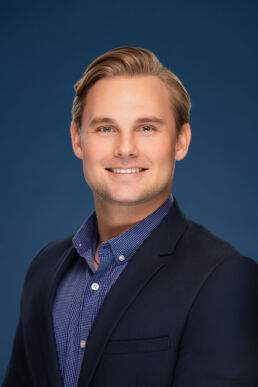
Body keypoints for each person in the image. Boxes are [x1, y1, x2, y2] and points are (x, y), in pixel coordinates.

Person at [3, 47, 258, 387]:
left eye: (147, 128)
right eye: (106, 128)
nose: (125, 148)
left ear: (180, 142)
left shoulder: (224, 279)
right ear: (77, 140)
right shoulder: (45, 269)